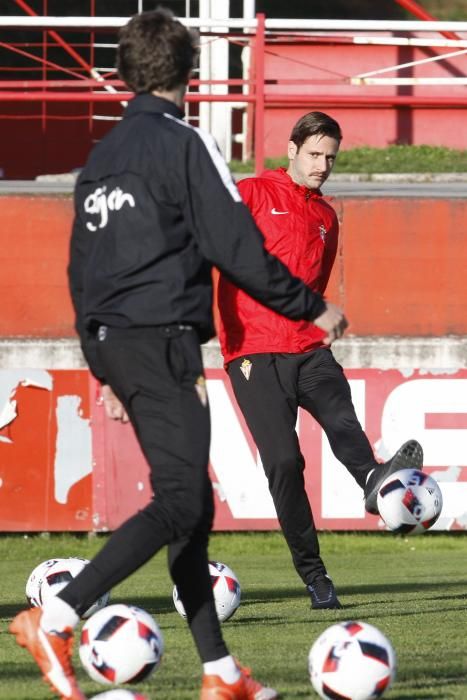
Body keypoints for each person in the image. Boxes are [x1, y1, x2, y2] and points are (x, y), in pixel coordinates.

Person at [9, 11, 350, 700]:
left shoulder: (99, 160)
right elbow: (236, 246)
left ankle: (220, 672)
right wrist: (310, 305)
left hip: (118, 342)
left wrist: (102, 366)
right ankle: (59, 615)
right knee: (179, 501)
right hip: (163, 341)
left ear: (123, 74)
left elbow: (82, 272)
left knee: (190, 509)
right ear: (189, 75)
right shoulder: (184, 144)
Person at [217, 111, 423, 611]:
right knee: (284, 464)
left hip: (307, 345)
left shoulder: (327, 217)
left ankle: (374, 480)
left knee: (340, 414)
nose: (323, 165)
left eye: (330, 157)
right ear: (291, 150)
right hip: (253, 349)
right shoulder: (251, 194)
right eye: (314, 154)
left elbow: (317, 282)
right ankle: (314, 576)